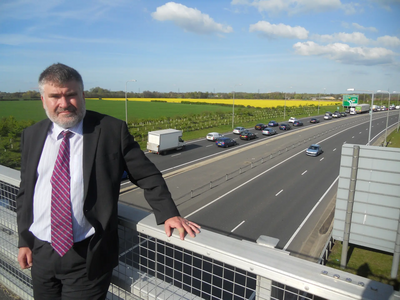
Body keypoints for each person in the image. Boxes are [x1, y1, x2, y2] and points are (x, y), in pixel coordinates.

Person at [16, 63, 200, 299]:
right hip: (41, 251)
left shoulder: (111, 130)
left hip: (87, 255)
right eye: (55, 96)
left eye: (71, 95)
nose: (64, 103)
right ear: (43, 100)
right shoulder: (31, 135)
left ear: (82, 96)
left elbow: (146, 174)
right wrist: (24, 241)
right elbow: (26, 192)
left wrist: (168, 213)